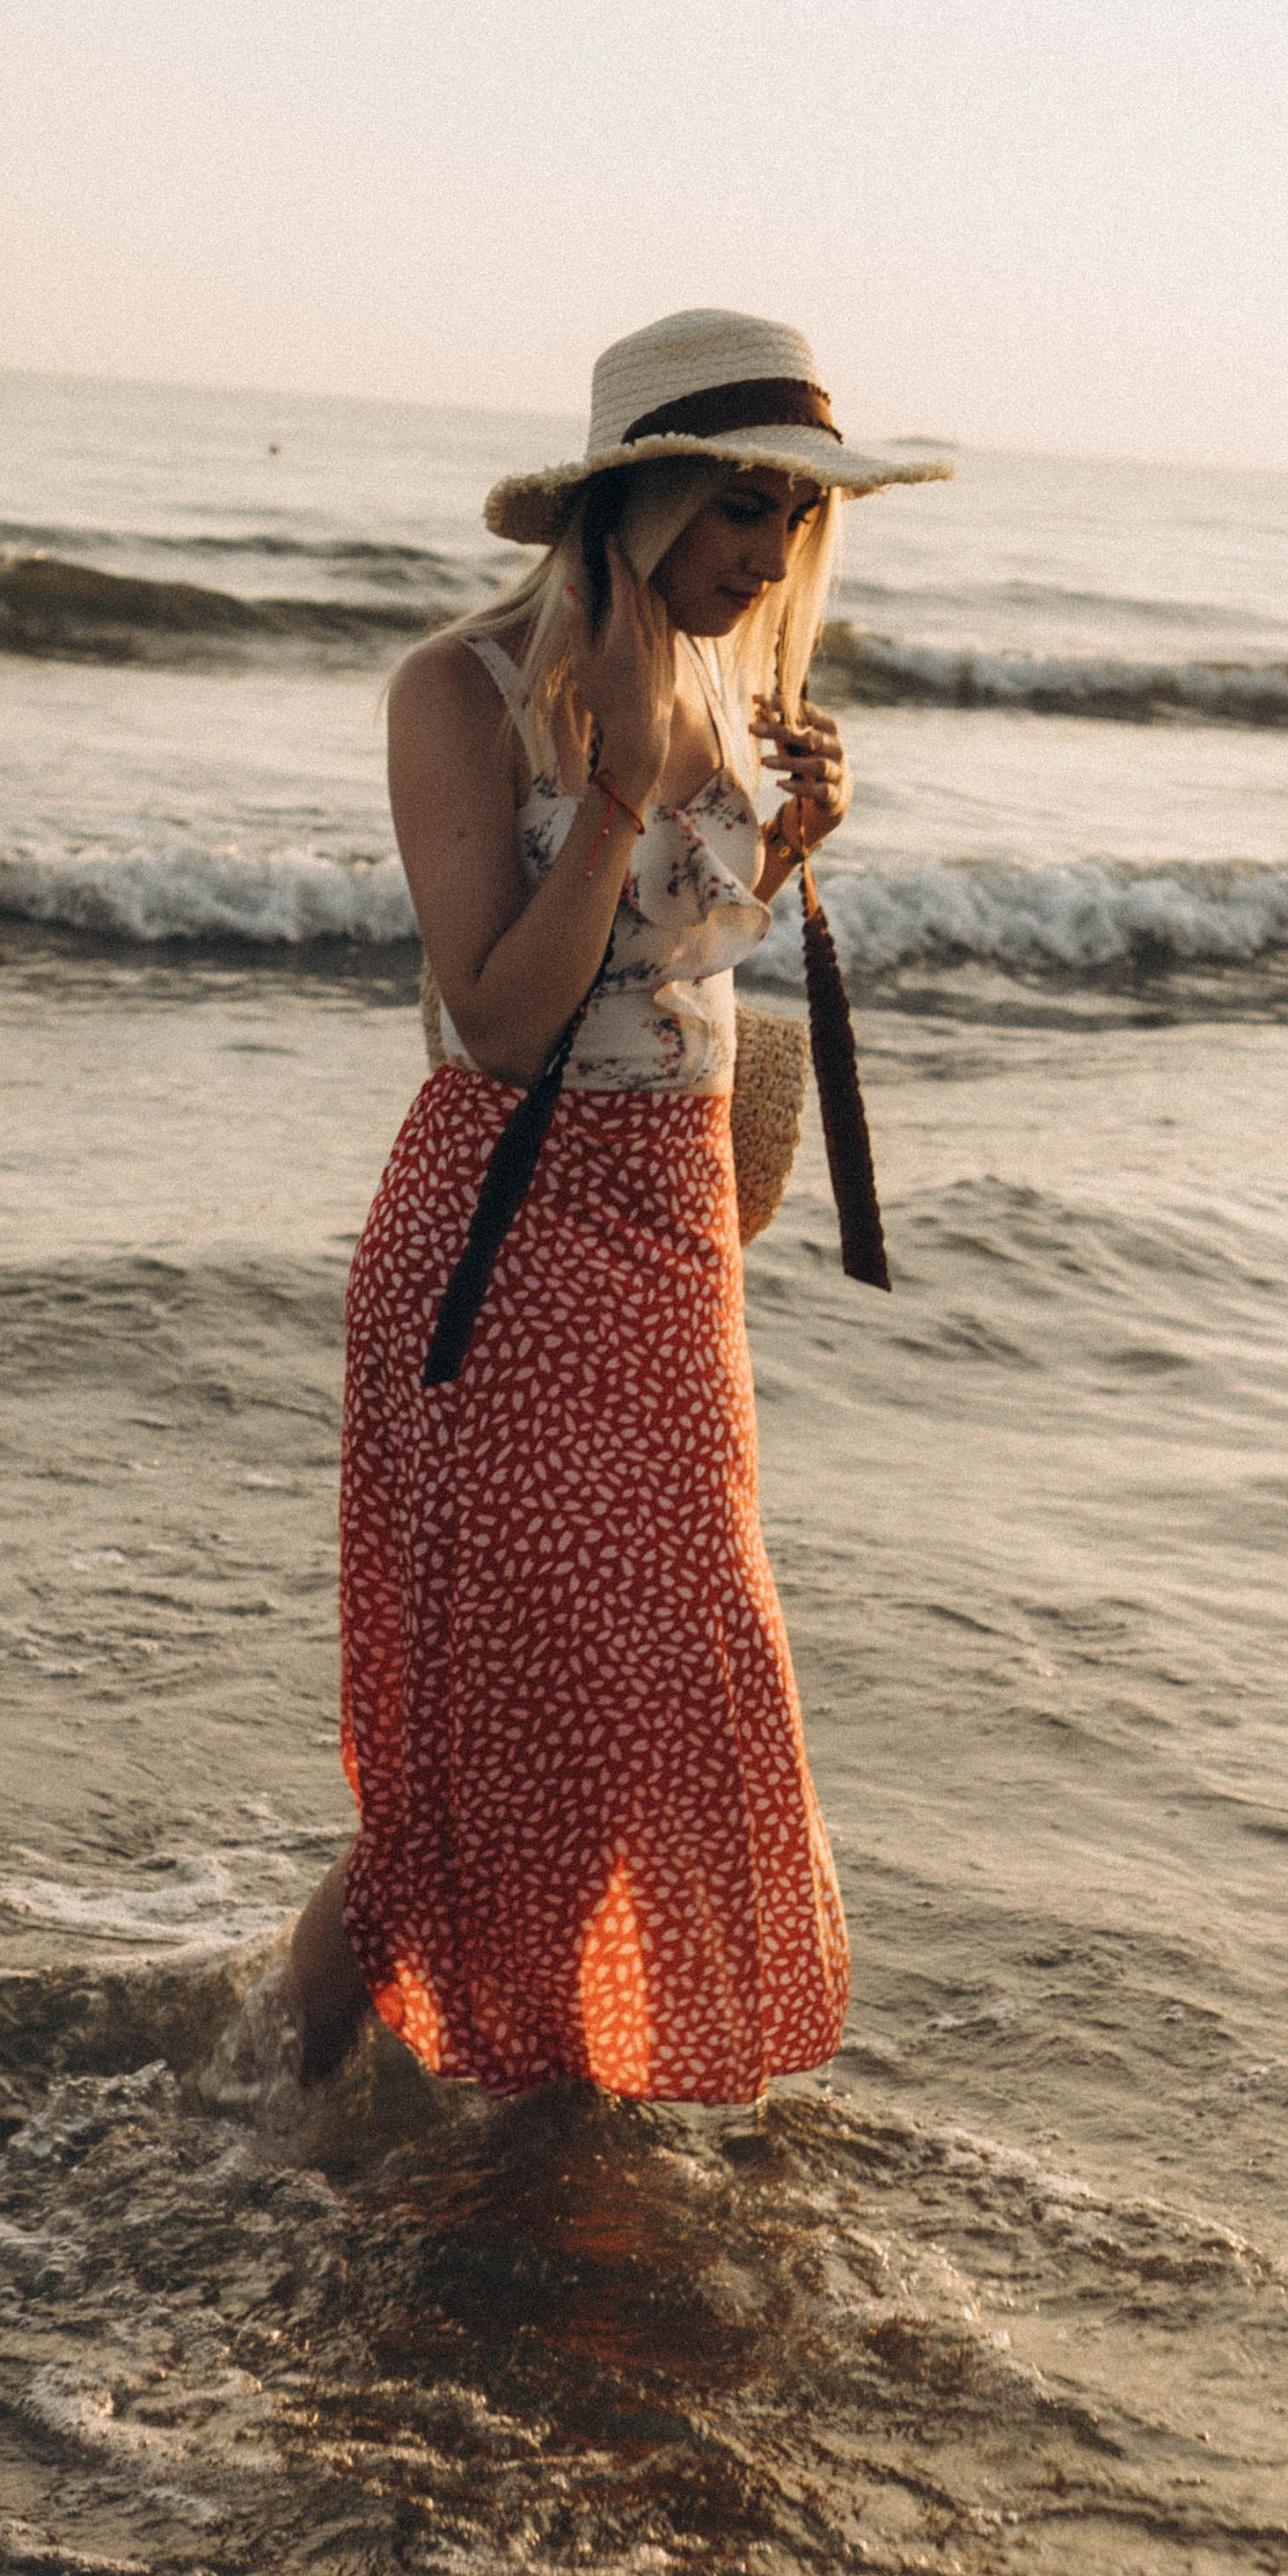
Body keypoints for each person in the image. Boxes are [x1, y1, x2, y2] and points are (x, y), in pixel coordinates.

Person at [285, 310, 952, 2100]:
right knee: (497, 1736)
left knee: (660, 1707)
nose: (764, 551)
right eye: (740, 504)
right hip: (497, 1252)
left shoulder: (743, 692)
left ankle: (543, 2095)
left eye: (790, 517)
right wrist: (619, 794)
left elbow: (678, 981)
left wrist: (781, 851)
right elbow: (499, 1022)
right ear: (635, 495)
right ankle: (276, 2083)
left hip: (666, 1259)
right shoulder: (459, 693)